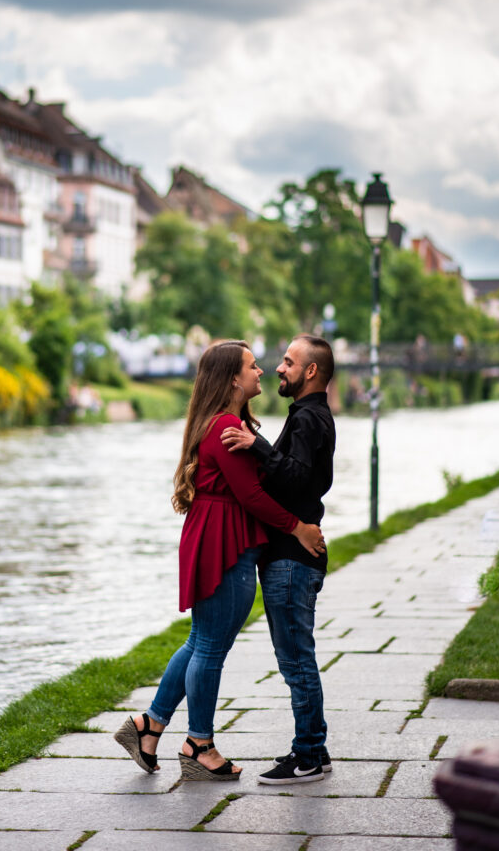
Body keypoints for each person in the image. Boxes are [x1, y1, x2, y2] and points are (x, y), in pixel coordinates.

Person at [114, 340, 325, 781]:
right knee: (209, 647)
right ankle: (199, 745)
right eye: (252, 366)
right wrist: (297, 527)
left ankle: (150, 725)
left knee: (200, 642)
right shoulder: (226, 426)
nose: (262, 371)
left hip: (216, 535)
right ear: (232, 379)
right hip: (225, 541)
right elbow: (251, 495)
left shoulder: (225, 423)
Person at [221, 334, 336, 785]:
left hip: (291, 559)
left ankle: (307, 756)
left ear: (311, 371)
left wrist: (255, 444)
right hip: (293, 556)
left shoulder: (308, 418)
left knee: (296, 662)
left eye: (289, 361)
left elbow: (296, 479)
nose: (279, 368)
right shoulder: (310, 416)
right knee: (298, 658)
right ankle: (315, 749)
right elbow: (299, 477)